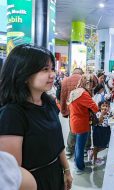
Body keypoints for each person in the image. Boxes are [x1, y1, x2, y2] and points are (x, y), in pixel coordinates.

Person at [0, 44, 73, 190]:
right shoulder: (12, 114)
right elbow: (13, 172)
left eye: (52, 68)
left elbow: (57, 141)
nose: (53, 74)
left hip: (55, 174)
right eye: (45, 69)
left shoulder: (49, 102)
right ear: (24, 73)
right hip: (33, 182)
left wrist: (66, 170)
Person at [67, 74, 98, 174]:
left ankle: (77, 163)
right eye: (92, 83)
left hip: (74, 121)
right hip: (81, 122)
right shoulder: (83, 93)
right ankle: (79, 167)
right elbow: (95, 108)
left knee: (78, 145)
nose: (93, 86)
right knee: (80, 146)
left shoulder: (75, 91)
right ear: (88, 82)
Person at [60, 67, 83, 158]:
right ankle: (83, 149)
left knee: (72, 128)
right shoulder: (83, 79)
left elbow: (63, 96)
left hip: (71, 109)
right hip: (82, 108)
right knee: (84, 129)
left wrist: (63, 110)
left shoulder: (65, 81)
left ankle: (69, 149)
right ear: (81, 73)